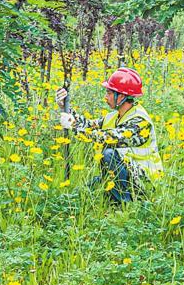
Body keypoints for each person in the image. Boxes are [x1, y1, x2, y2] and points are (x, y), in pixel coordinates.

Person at [59, 67, 163, 204]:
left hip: (145, 181)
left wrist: (73, 126)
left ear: (121, 96)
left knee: (108, 154)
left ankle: (125, 205)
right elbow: (89, 126)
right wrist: (65, 108)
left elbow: (107, 138)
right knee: (84, 192)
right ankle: (112, 197)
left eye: (109, 93)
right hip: (126, 175)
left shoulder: (140, 121)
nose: (105, 97)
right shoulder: (114, 116)